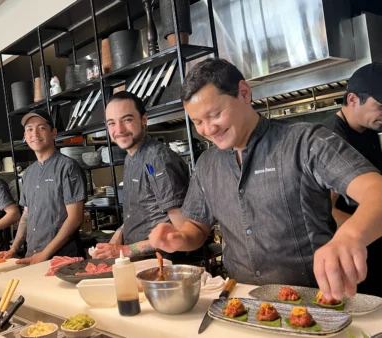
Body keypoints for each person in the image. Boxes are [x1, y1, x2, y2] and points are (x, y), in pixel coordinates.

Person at [148, 58, 382, 302]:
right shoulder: (207, 164)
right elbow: (196, 228)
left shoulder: (304, 142)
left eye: (215, 114)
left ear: (244, 93)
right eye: (197, 122)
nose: (208, 129)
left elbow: (376, 193)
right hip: (244, 305)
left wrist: (351, 236)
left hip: (315, 302)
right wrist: (179, 238)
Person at [93, 91, 190, 260]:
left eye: (127, 120)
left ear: (144, 119)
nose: (119, 130)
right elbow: (140, 211)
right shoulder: (131, 157)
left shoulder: (158, 159)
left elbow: (182, 229)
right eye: (112, 123)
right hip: (139, 263)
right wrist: (119, 234)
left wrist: (124, 250)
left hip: (164, 266)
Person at [0, 111, 87, 264]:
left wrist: (45, 253)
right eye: (29, 129)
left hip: (62, 258)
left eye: (41, 128)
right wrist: (13, 249)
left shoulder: (68, 167)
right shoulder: (28, 173)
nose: (34, 133)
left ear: (53, 133)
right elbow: (26, 215)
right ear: (25, 135)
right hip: (33, 255)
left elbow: (75, 218)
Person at [321, 62, 382, 297]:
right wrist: (373, 229)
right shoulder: (330, 139)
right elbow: (324, 211)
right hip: (353, 256)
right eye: (380, 106)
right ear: (354, 99)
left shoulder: (368, 131)